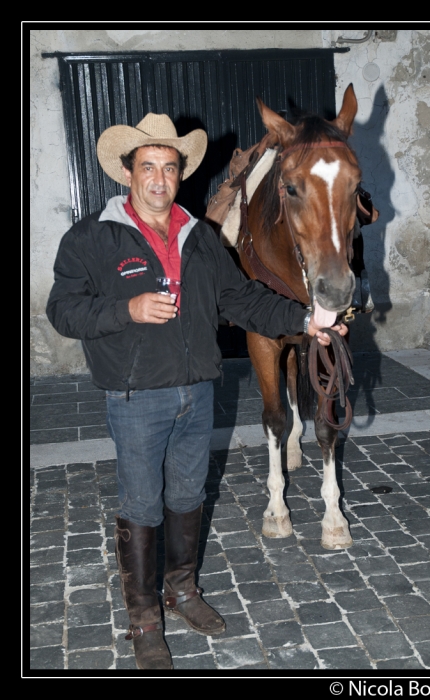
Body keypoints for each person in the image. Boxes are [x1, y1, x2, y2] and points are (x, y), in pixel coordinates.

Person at [46, 113, 348, 670]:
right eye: (148, 168)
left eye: (169, 168)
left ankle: (182, 591)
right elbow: (61, 310)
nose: (159, 179)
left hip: (197, 392)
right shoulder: (91, 237)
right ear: (127, 173)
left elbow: (243, 301)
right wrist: (126, 309)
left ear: (180, 174)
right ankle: (143, 619)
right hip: (136, 397)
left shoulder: (201, 236)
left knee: (187, 498)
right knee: (142, 505)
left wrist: (306, 320)